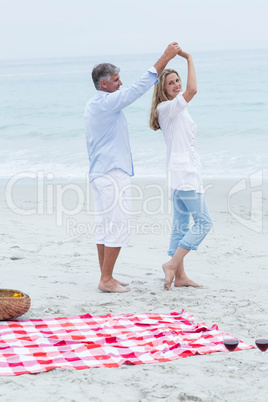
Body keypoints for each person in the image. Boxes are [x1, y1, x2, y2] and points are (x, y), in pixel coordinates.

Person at [84, 42, 180, 293]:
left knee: (106, 227)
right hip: (111, 173)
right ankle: (105, 280)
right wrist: (165, 58)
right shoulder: (106, 103)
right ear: (104, 84)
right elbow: (138, 88)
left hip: (100, 173)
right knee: (117, 225)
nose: (120, 83)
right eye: (116, 80)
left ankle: (107, 276)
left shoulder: (95, 104)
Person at [149, 47, 213, 290]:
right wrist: (189, 58)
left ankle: (180, 277)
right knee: (204, 222)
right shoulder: (167, 108)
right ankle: (172, 265)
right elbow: (193, 90)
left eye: (177, 81)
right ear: (162, 90)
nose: (176, 85)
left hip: (182, 176)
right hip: (184, 177)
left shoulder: (177, 109)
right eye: (171, 83)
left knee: (180, 226)